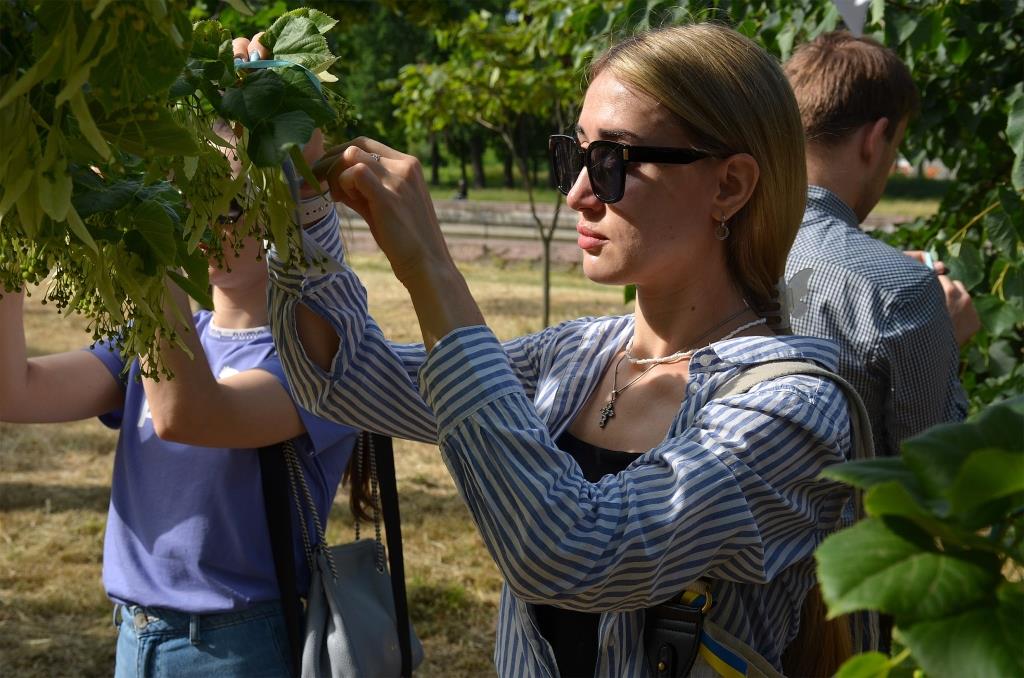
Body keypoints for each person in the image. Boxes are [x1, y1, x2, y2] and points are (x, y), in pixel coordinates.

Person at [253, 24, 858, 677]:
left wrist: (433, 270)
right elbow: (341, 376)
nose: (576, 194)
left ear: (730, 186)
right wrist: (299, 196)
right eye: (576, 155)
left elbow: (574, 553)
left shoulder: (794, 406)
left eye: (614, 161)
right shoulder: (578, 357)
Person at [0, 120, 358, 677]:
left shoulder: (314, 365)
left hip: (238, 645)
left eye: (229, 204)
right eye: (190, 199)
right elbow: (14, 392)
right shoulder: (154, 341)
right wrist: (9, 244)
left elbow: (186, 414)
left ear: (286, 213)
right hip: (134, 634)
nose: (200, 222)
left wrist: (148, 233)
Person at [783, 31, 973, 464]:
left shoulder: (716, 242)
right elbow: (935, 473)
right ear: (876, 138)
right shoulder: (904, 292)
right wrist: (945, 343)